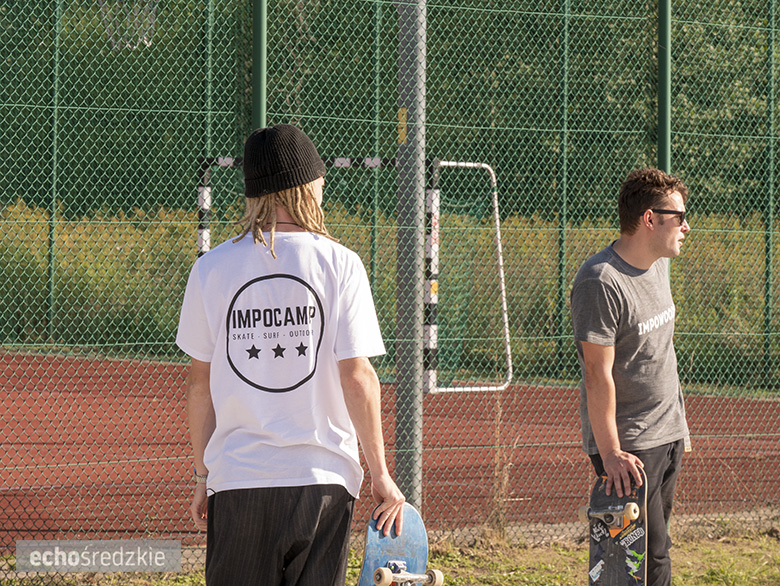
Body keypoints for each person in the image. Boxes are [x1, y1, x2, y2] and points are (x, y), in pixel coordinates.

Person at [176, 124, 405, 586]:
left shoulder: (211, 269)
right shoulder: (341, 263)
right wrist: (380, 474)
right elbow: (358, 378)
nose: (324, 186)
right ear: (305, 185)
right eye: (319, 178)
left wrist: (203, 474)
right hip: (323, 480)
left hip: (239, 480)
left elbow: (200, 386)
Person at [570, 167, 692, 586]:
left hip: (668, 433)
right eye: (678, 217)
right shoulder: (600, 281)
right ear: (649, 219)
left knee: (654, 553)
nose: (686, 227)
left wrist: (678, 429)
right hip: (631, 447)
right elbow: (596, 375)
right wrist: (611, 454)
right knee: (639, 561)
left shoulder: (658, 264)